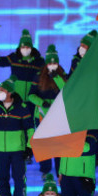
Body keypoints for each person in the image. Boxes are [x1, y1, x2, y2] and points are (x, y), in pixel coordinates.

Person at [27, 44, 66, 179]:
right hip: (42, 115)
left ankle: (60, 171)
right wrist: (41, 102)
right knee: (45, 144)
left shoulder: (63, 75)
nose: (52, 64)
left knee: (58, 144)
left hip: (58, 116)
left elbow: (67, 92)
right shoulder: (38, 76)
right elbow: (30, 95)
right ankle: (45, 170)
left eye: (54, 62)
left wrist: (56, 77)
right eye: (50, 62)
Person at [0, 29, 45, 102]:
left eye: (28, 47)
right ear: (19, 47)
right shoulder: (14, 57)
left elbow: (45, 76)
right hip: (16, 99)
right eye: (23, 47)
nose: (25, 49)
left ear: (31, 48)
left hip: (33, 99)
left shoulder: (39, 61)